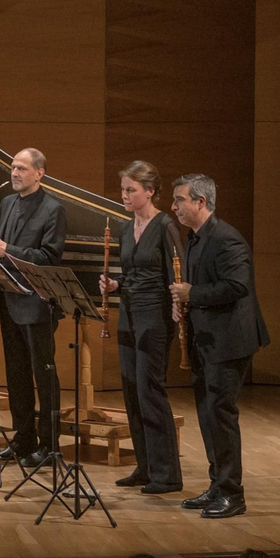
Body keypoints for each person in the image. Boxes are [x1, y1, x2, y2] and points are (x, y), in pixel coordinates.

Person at [170, 172, 268, 519]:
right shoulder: (195, 238)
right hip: (206, 339)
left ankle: (232, 493)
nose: (174, 207)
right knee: (208, 416)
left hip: (229, 342)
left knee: (221, 415)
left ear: (200, 201)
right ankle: (217, 485)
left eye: (180, 200)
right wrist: (183, 304)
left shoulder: (227, 239)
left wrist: (192, 294)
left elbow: (237, 285)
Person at [98, 160, 182, 493]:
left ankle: (167, 474)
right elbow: (130, 273)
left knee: (151, 394)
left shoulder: (166, 226)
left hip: (155, 318)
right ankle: (145, 467)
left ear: (149, 191)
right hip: (129, 315)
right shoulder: (124, 228)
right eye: (123, 190)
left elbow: (176, 273)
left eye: (131, 190)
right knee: (132, 393)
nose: (124, 195)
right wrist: (114, 285)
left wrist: (178, 308)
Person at [0, 148, 66, 468]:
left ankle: (50, 444)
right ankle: (23, 438)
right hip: (9, 298)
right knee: (15, 375)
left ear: (39, 173)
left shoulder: (53, 209)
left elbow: (48, 257)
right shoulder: (7, 203)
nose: (14, 173)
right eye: (13, 167)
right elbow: (1, 247)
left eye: (22, 168)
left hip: (37, 302)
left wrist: (5, 250)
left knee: (44, 375)